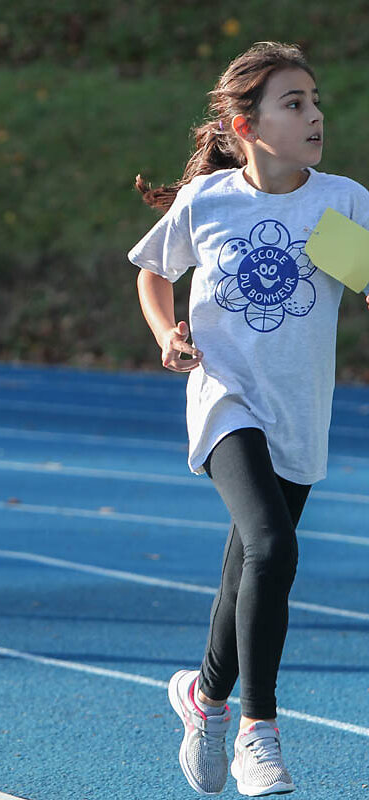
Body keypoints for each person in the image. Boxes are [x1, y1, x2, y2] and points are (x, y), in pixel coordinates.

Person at [129, 42, 369, 796]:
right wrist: (166, 334)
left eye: (315, 100)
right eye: (293, 103)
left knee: (252, 565)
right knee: (272, 544)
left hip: (299, 407)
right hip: (225, 398)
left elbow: (366, 281)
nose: (315, 114)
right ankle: (258, 735)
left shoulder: (336, 204)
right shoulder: (209, 203)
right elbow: (154, 272)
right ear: (246, 126)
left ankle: (205, 697)